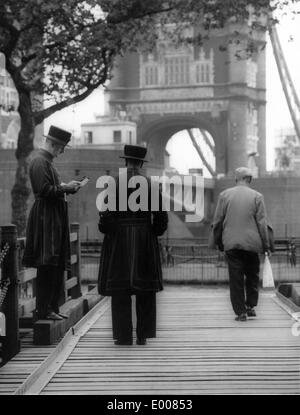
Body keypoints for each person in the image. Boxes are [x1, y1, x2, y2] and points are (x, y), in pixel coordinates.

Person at [97, 144, 168, 345]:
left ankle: (123, 336)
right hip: (144, 238)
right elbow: (161, 219)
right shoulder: (150, 185)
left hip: (119, 240)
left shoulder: (113, 183)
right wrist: (152, 232)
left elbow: (105, 219)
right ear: (141, 163)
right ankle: (143, 335)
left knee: (120, 291)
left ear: (126, 160)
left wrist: (110, 230)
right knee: (145, 290)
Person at [23, 125, 81, 320]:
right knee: (47, 263)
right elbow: (44, 190)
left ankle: (51, 308)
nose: (62, 151)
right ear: (54, 145)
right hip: (46, 219)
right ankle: (44, 310)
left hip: (51, 218)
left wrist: (64, 187)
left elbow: (49, 188)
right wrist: (66, 189)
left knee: (53, 263)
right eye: (62, 147)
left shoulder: (45, 161)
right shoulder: (40, 161)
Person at [210, 167, 273, 321]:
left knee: (236, 278)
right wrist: (267, 245)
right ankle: (250, 306)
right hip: (252, 244)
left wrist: (218, 242)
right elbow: (262, 223)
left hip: (231, 243)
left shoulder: (224, 195)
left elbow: (217, 222)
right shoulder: (257, 196)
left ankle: (240, 312)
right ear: (249, 179)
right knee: (252, 275)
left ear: (236, 179)